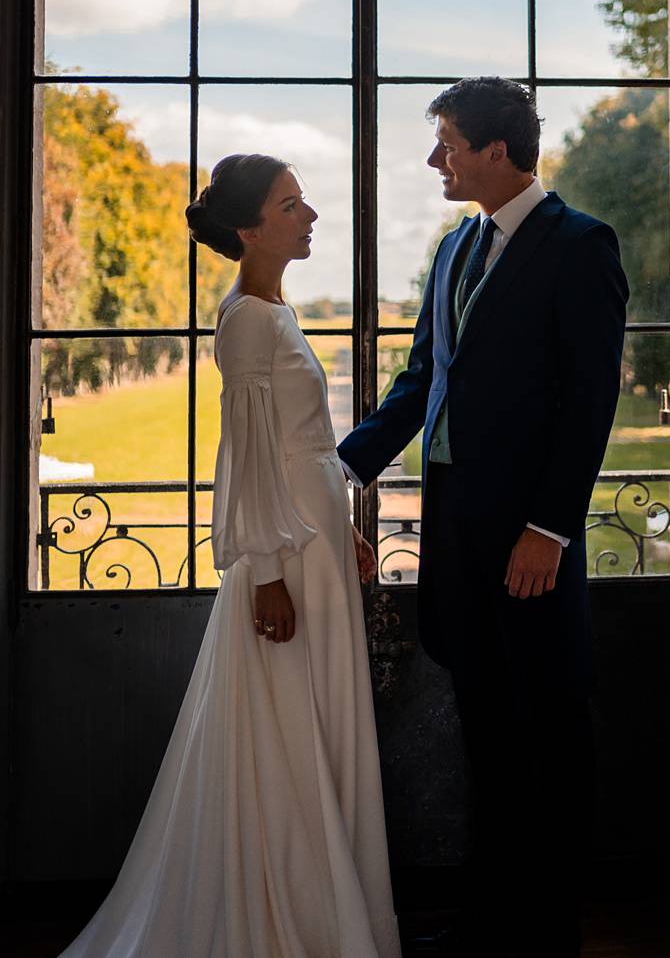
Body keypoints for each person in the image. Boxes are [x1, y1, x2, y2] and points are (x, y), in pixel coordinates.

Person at [58, 153, 400, 958]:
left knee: (315, 719)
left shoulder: (274, 311)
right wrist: (269, 572)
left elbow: (301, 447)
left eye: (304, 202)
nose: (310, 215)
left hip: (313, 542)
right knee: (285, 730)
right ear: (250, 229)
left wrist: (344, 523)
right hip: (284, 557)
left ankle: (324, 904)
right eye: (292, 204)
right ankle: (290, 917)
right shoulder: (247, 317)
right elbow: (244, 458)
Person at [337, 78, 629, 958]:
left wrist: (549, 529)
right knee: (488, 741)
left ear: (497, 151)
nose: (438, 161)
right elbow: (421, 381)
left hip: (531, 542)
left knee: (550, 736)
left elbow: (589, 402)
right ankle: (485, 927)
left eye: (449, 145)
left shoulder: (582, 246)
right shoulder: (456, 248)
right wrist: (334, 465)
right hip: (458, 540)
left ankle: (549, 935)